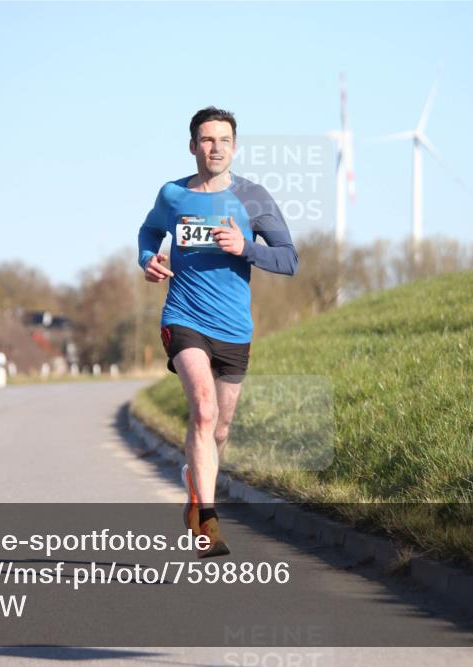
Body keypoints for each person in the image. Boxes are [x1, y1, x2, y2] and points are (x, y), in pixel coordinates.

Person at [137, 107, 298, 558]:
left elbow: (288, 258)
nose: (215, 147)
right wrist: (147, 258)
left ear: (235, 146)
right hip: (184, 317)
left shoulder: (253, 199)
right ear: (193, 146)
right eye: (207, 140)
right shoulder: (172, 195)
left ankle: (196, 479)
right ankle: (206, 520)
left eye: (224, 140)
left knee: (221, 429)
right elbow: (149, 231)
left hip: (234, 328)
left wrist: (244, 248)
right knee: (204, 411)